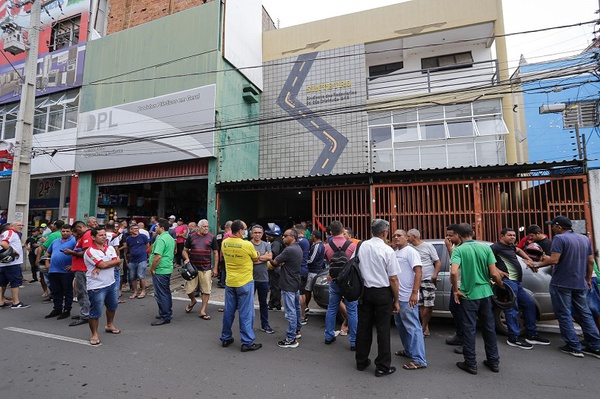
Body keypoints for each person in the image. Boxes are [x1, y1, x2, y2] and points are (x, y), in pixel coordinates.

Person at [535, 216, 600, 358]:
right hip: (580, 283)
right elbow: (590, 261)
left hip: (562, 283)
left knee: (564, 314)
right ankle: (595, 346)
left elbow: (555, 259)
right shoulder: (584, 239)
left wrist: (537, 265)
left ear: (559, 227)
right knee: (585, 313)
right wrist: (588, 279)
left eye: (553, 225)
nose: (552, 228)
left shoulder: (559, 239)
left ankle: (573, 346)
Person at [450, 223, 504, 375]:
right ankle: (493, 362)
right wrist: (500, 285)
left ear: (459, 236)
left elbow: (454, 273)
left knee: (469, 329)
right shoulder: (485, 248)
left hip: (468, 295)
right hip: (485, 293)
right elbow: (494, 274)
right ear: (472, 233)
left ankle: (471, 363)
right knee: (489, 328)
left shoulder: (459, 250)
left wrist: (456, 290)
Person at [355, 219, 401, 377]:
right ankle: (382, 366)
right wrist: (396, 300)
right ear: (384, 233)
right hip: (382, 293)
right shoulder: (388, 250)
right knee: (383, 329)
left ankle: (361, 361)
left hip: (365, 292)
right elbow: (393, 278)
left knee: (364, 327)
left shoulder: (361, 246)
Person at [491, 228, 550, 349]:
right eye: (509, 235)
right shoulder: (495, 247)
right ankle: (513, 338)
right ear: (501, 236)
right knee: (512, 309)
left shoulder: (511, 247)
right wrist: (497, 271)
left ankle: (532, 335)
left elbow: (518, 250)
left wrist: (528, 259)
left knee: (529, 304)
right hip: (507, 283)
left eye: (514, 235)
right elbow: (486, 261)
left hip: (517, 283)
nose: (513, 237)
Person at [219, 220, 262, 352]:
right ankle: (247, 342)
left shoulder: (225, 243)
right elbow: (256, 258)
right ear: (240, 231)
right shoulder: (246, 244)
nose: (246, 231)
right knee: (246, 313)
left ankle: (226, 337)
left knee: (229, 311)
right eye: (245, 229)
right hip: (244, 282)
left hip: (230, 281)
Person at [392, 229, 427, 370]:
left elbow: (418, 272)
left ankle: (419, 359)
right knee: (401, 326)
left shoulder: (411, 252)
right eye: (394, 235)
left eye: (399, 235)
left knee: (413, 327)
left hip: (408, 297)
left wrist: (414, 292)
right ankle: (408, 351)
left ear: (407, 238)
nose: (396, 238)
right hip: (398, 297)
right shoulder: (395, 253)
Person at [84, 227, 121, 346]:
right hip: (97, 286)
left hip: (111, 283)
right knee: (95, 311)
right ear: (93, 237)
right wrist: (103, 265)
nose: (104, 237)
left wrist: (103, 265)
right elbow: (105, 263)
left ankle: (109, 324)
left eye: (105, 235)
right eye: (101, 235)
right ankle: (94, 334)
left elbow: (117, 261)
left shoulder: (110, 248)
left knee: (112, 306)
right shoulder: (90, 251)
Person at [323, 220, 357, 349]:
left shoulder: (327, 246)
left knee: (332, 308)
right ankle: (353, 341)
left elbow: (328, 263)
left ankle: (328, 336)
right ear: (343, 230)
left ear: (330, 232)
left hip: (334, 281)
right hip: (349, 282)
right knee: (352, 310)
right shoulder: (352, 246)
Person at [271, 228, 303, 348]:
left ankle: (291, 338)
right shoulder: (297, 248)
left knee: (290, 312)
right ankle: (297, 331)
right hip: (294, 282)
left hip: (288, 284)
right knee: (297, 308)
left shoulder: (289, 250)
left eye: (285, 236)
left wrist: (276, 261)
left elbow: (275, 262)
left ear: (292, 237)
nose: (283, 237)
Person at [407, 228, 440, 337]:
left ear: (414, 237)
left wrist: (435, 275)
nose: (407, 238)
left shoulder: (428, 246)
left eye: (408, 236)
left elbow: (437, 261)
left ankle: (424, 326)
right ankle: (424, 327)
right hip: (415, 280)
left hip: (427, 279)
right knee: (420, 304)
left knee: (429, 304)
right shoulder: (409, 248)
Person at [182, 219, 218, 320]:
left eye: (207, 226)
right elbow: (184, 251)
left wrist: (215, 268)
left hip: (206, 268)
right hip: (192, 268)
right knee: (189, 290)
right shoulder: (191, 237)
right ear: (198, 227)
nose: (206, 228)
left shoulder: (212, 237)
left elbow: (216, 253)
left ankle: (203, 310)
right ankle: (193, 300)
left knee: (206, 290)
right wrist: (187, 259)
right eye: (204, 226)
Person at [63, 221, 93, 327]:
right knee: (82, 292)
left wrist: (72, 252)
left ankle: (85, 315)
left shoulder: (87, 235)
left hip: (83, 268)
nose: (74, 234)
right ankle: (85, 312)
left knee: (82, 292)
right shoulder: (84, 236)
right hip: (80, 268)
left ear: (79, 228)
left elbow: (86, 252)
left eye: (75, 231)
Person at [44, 224, 76, 319]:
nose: (65, 233)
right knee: (55, 291)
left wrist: (73, 265)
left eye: (67, 231)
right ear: (60, 231)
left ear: (71, 232)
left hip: (66, 271)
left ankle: (67, 310)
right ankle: (57, 309)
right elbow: (48, 252)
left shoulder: (74, 241)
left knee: (67, 291)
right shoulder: (55, 241)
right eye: (63, 231)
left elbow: (78, 253)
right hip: (53, 270)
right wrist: (47, 262)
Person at [149, 218, 176, 326]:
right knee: (165, 292)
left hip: (160, 270)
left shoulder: (161, 239)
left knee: (161, 293)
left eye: (157, 226)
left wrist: (153, 268)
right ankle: (166, 313)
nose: (155, 227)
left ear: (162, 228)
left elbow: (158, 256)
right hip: (167, 268)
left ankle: (165, 316)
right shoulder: (169, 237)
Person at [250, 224, 274, 333]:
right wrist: (262, 258)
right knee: (249, 303)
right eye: (255, 232)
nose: (257, 234)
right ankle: (249, 325)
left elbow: (270, 257)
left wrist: (256, 258)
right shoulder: (248, 244)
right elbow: (248, 259)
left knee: (263, 303)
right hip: (250, 279)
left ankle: (265, 325)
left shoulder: (266, 244)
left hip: (263, 279)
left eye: (259, 232)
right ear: (252, 233)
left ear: (263, 233)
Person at [0, 221, 30, 309]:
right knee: (15, 283)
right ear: (12, 226)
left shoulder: (6, 233)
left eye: (22, 225)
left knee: (2, 283)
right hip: (11, 263)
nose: (21, 227)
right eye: (19, 225)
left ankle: (1, 301)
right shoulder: (10, 232)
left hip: (4, 263)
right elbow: (4, 243)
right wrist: (14, 252)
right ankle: (16, 302)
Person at [444, 225, 464, 351]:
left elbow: (455, 266)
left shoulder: (461, 248)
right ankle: (459, 335)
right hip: (456, 285)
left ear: (458, 235)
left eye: (451, 235)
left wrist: (449, 248)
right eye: (447, 235)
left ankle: (465, 342)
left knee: (463, 314)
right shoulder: (456, 246)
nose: (448, 238)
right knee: (454, 309)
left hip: (462, 286)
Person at [122, 223, 150, 299]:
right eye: (134, 229)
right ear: (130, 230)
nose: (136, 230)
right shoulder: (128, 239)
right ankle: (135, 291)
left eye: (137, 228)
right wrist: (126, 260)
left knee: (141, 275)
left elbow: (148, 247)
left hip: (142, 259)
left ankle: (143, 290)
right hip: (132, 259)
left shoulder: (143, 237)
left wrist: (148, 257)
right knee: (132, 276)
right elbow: (126, 250)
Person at [304, 229, 325, 319]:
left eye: (312, 235)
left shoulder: (317, 246)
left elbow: (312, 259)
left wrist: (304, 262)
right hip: (315, 269)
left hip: (313, 270)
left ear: (314, 236)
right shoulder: (317, 245)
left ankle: (305, 306)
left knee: (307, 289)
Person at [294, 224, 311, 323]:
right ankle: (303, 314)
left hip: (299, 270)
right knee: (303, 293)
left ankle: (301, 316)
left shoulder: (299, 241)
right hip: (304, 269)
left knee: (299, 294)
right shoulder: (306, 241)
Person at [265, 223, 283, 310]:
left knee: (275, 286)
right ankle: (273, 303)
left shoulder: (275, 243)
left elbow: (274, 253)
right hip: (276, 267)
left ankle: (276, 303)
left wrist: (267, 255)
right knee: (275, 285)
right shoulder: (278, 241)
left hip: (275, 267)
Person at [217, 220, 233, 289]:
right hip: (229, 254)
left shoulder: (227, 234)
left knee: (224, 269)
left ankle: (223, 282)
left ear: (226, 227)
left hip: (225, 254)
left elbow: (224, 245)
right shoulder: (232, 234)